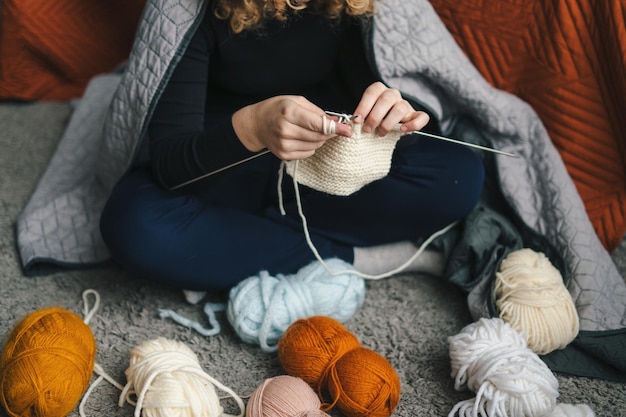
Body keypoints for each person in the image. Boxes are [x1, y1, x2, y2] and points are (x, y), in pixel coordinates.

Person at [99, 0, 484, 292]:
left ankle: (241, 244)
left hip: (324, 163)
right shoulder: (186, 8)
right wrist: (252, 127)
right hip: (225, 159)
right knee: (134, 225)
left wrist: (395, 112)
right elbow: (171, 166)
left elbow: (379, 84)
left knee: (459, 176)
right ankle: (354, 257)